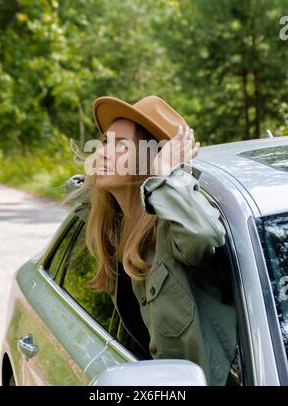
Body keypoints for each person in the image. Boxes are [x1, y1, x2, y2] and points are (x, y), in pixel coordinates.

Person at [70, 95, 237, 386]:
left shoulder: (172, 233)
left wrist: (166, 176)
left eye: (121, 145)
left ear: (151, 159)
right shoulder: (112, 225)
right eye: (105, 142)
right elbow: (75, 191)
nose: (103, 153)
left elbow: (205, 236)